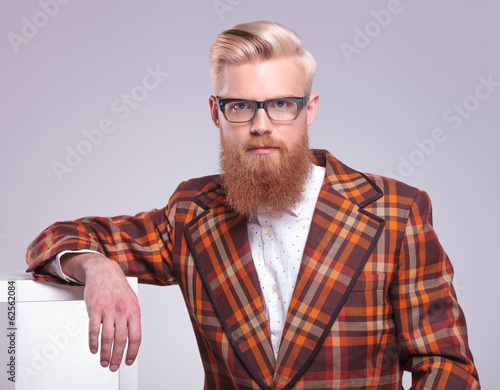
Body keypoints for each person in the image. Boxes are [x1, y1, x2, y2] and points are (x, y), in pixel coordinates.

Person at [26, 21, 480, 389]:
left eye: (281, 104)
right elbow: (54, 240)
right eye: (241, 106)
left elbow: (446, 365)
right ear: (216, 112)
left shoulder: (395, 212)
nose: (261, 125)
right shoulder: (191, 213)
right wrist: (97, 268)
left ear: (310, 109)